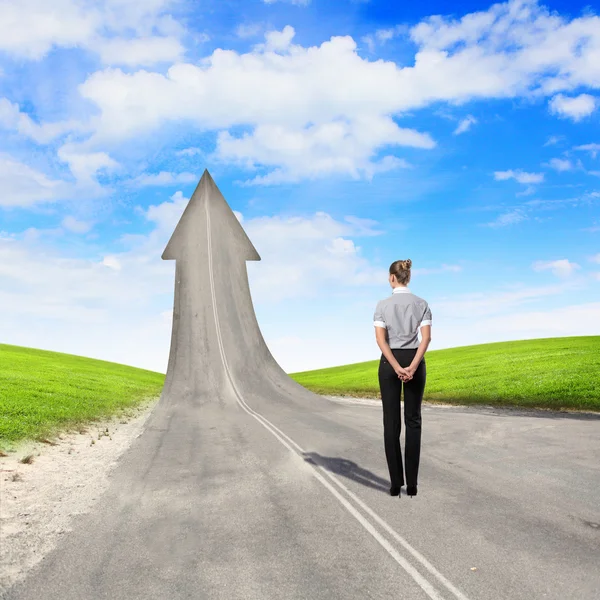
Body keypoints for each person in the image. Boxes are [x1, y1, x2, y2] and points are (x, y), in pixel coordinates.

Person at [373, 259, 432, 498]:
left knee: (391, 423)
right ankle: (413, 485)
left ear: (392, 278)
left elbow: (381, 341)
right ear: (408, 277)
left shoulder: (382, 306)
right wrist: (412, 366)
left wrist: (397, 367)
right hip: (415, 361)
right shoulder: (422, 304)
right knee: (413, 421)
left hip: (390, 363)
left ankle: (395, 483)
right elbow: (426, 339)